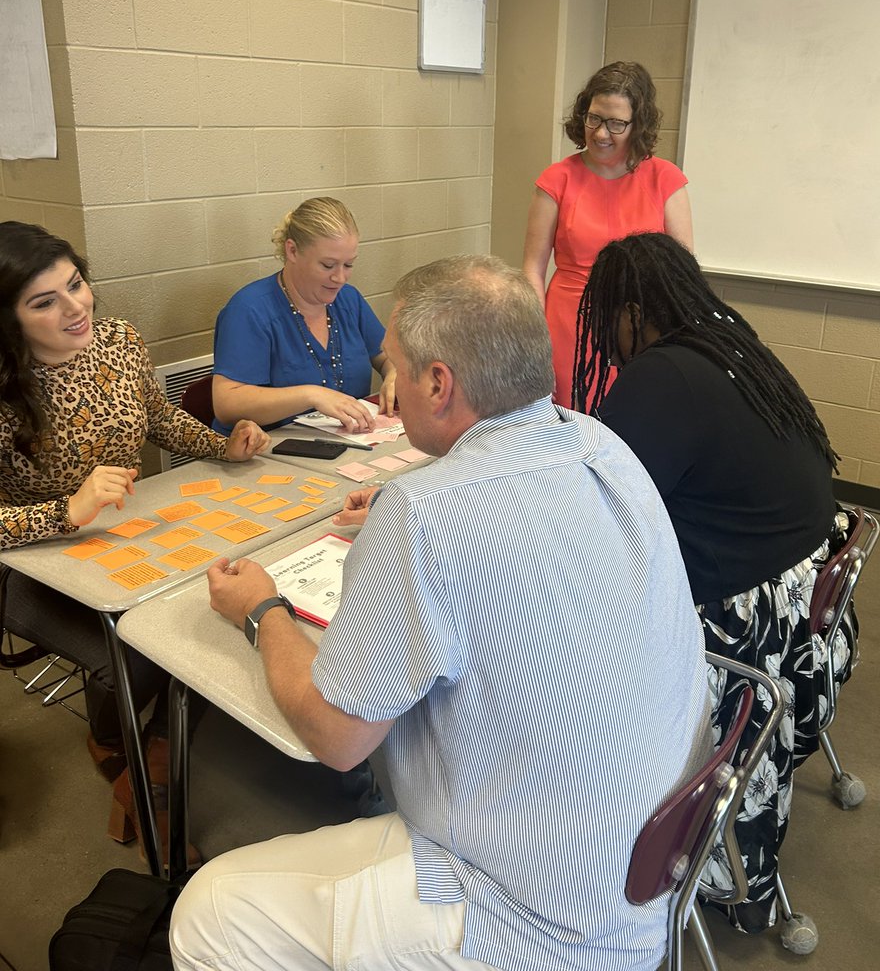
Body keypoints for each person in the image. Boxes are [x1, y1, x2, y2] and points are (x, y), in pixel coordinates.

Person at [170, 255, 713, 971]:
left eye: (393, 366)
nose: (387, 381)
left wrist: (262, 608)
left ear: (437, 383)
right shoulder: (600, 441)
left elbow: (337, 738)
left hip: (533, 917)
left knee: (207, 913)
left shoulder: (425, 511)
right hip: (650, 862)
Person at [573, 232, 849, 934]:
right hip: (801, 593)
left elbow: (599, 515)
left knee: (556, 625)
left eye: (608, 320)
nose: (605, 339)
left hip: (740, 625)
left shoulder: (662, 376)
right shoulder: (730, 343)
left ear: (634, 311)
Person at [0, 220, 269, 857]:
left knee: (211, 614)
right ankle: (121, 745)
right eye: (45, 302)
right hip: (30, 563)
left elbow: (158, 418)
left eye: (76, 285)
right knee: (143, 648)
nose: (76, 308)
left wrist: (221, 447)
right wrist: (65, 511)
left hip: (125, 540)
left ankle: (159, 747)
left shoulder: (118, 341)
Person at [523, 61, 693, 408]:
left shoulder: (665, 178)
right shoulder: (558, 179)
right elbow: (532, 269)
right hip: (570, 322)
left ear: (638, 124)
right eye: (594, 118)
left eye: (616, 123)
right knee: (572, 420)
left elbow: (682, 272)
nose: (601, 133)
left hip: (641, 326)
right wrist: (534, 335)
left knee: (634, 417)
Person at [212, 197, 396, 434]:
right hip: (266, 454)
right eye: (328, 265)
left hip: (344, 446)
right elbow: (227, 404)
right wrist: (311, 395)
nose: (340, 278)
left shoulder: (348, 300)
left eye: (348, 265)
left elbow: (387, 356)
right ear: (292, 251)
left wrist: (395, 374)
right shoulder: (250, 310)